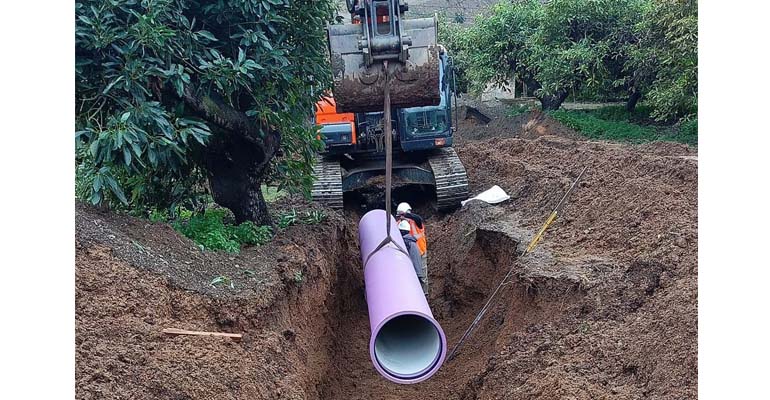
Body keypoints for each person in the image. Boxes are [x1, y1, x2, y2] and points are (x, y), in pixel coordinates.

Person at [396, 202, 427, 293]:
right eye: (399, 215)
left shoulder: (416, 222)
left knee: (422, 277)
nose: (400, 217)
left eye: (402, 215)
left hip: (420, 252)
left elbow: (418, 218)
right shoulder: (398, 224)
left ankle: (425, 295)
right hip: (406, 255)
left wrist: (406, 215)